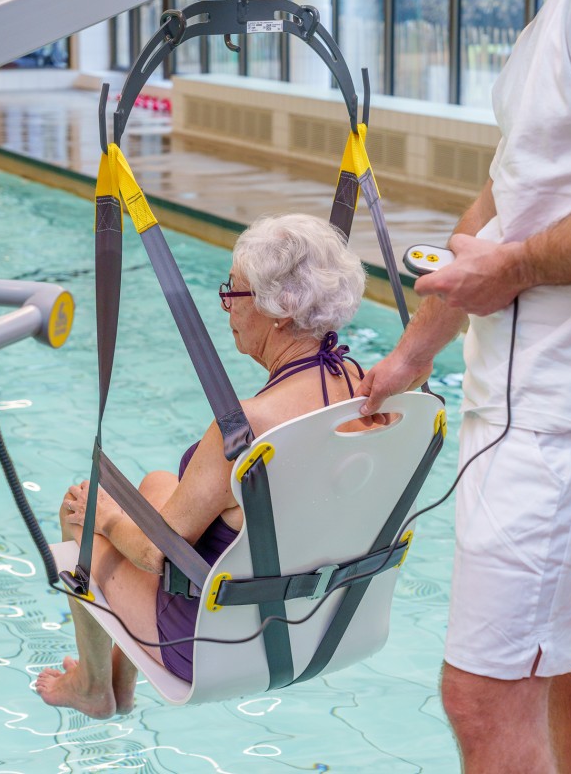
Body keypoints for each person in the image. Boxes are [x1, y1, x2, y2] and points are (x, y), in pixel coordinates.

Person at [356, 0, 571, 772]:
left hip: (561, 421)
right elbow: (508, 196)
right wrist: (412, 353)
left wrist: (509, 271)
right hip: (553, 414)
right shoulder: (566, 2)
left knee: (482, 697)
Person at [35, 213, 366, 717]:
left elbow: (155, 554)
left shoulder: (248, 428)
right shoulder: (365, 390)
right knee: (158, 483)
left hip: (215, 637)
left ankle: (92, 685)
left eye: (234, 292)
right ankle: (121, 675)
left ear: (280, 311)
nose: (226, 305)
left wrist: (106, 519)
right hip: (321, 620)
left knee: (82, 510)